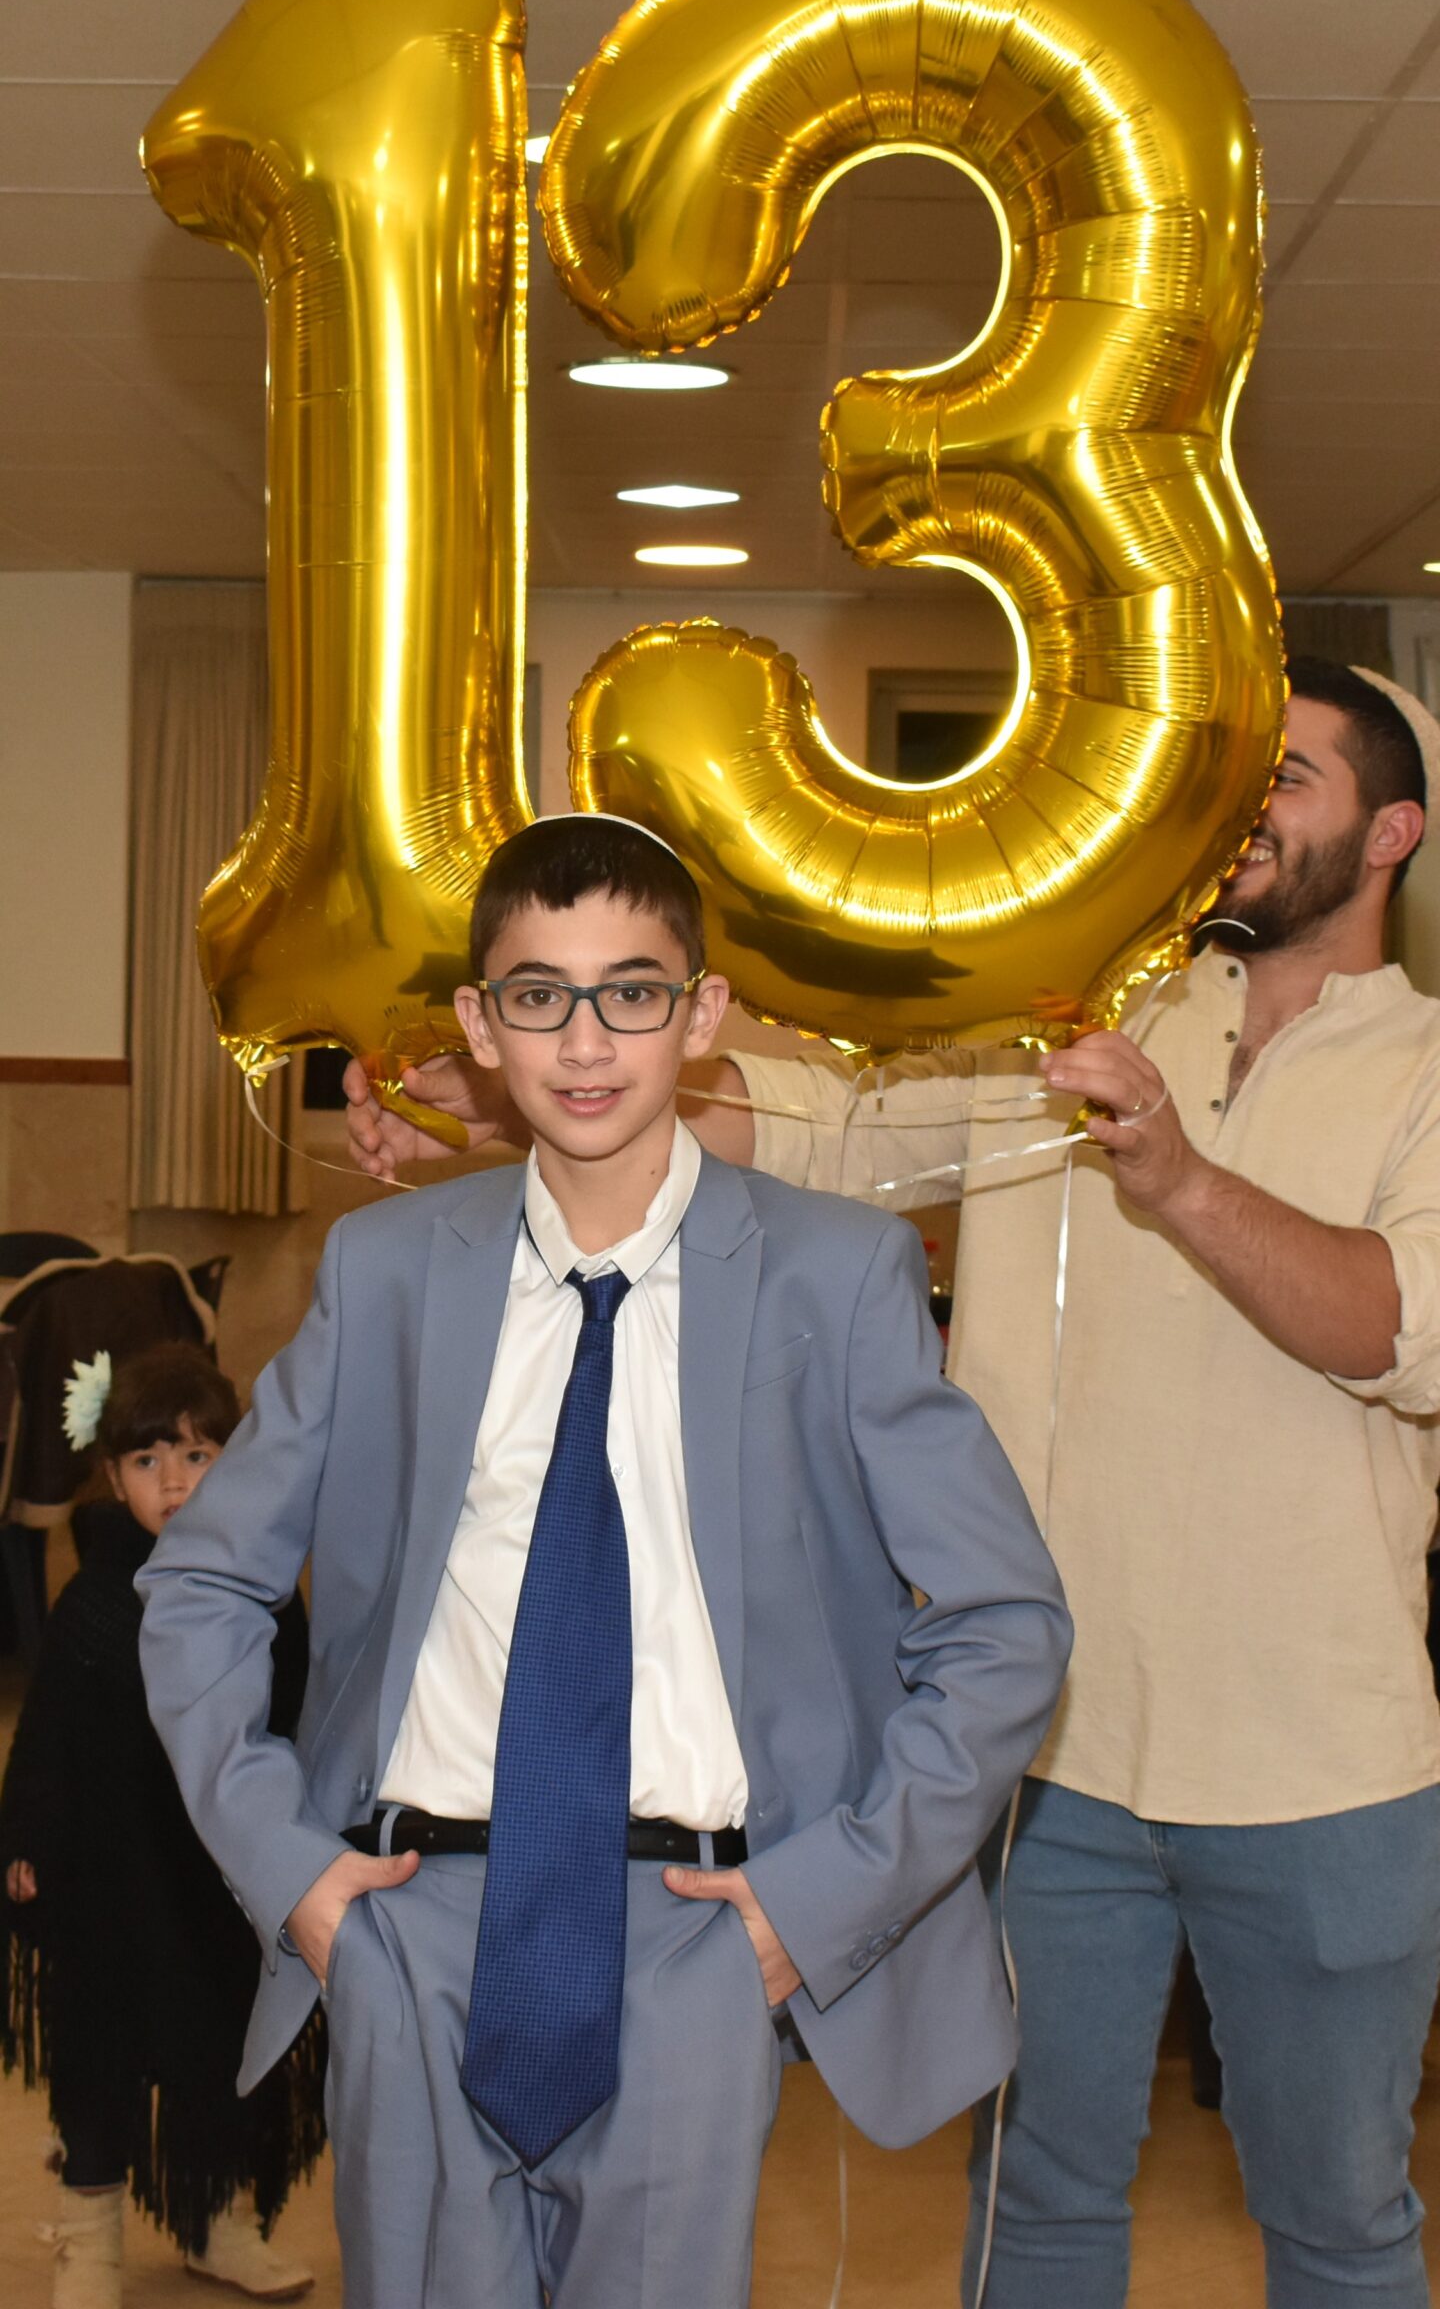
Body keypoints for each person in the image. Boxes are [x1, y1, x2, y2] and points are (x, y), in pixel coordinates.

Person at [347, 663, 1440, 2309]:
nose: (1239, 812)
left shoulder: (1425, 1062)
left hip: (1326, 1765)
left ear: (1393, 831)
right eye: (1227, 778)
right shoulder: (1085, 1020)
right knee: (1033, 2203)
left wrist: (1177, 1177)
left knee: (1341, 2219)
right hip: (1050, 1763)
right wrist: (513, 1104)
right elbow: (826, 1132)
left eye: (1283, 778)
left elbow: (1402, 1329)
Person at [138, 814, 1069, 2309]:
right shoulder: (386, 1274)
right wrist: (290, 1869)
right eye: (539, 995)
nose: (585, 1041)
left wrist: (817, 1900)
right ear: (478, 1023)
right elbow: (201, 1584)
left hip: (697, 1935)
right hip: (411, 1917)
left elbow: (1004, 1621)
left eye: (631, 991)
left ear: (701, 1014)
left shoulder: (837, 1274)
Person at [0, 1342, 320, 2309]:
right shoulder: (95, 1599)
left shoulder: (265, 1593)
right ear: (113, 1477)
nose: (174, 1481)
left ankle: (217, 2219)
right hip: (104, 1876)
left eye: (196, 1455)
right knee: (97, 2060)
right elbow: (48, 1734)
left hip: (216, 1882)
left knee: (219, 2054)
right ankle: (87, 2240)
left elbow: (300, 1721)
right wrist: (26, 1840)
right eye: (148, 1461)